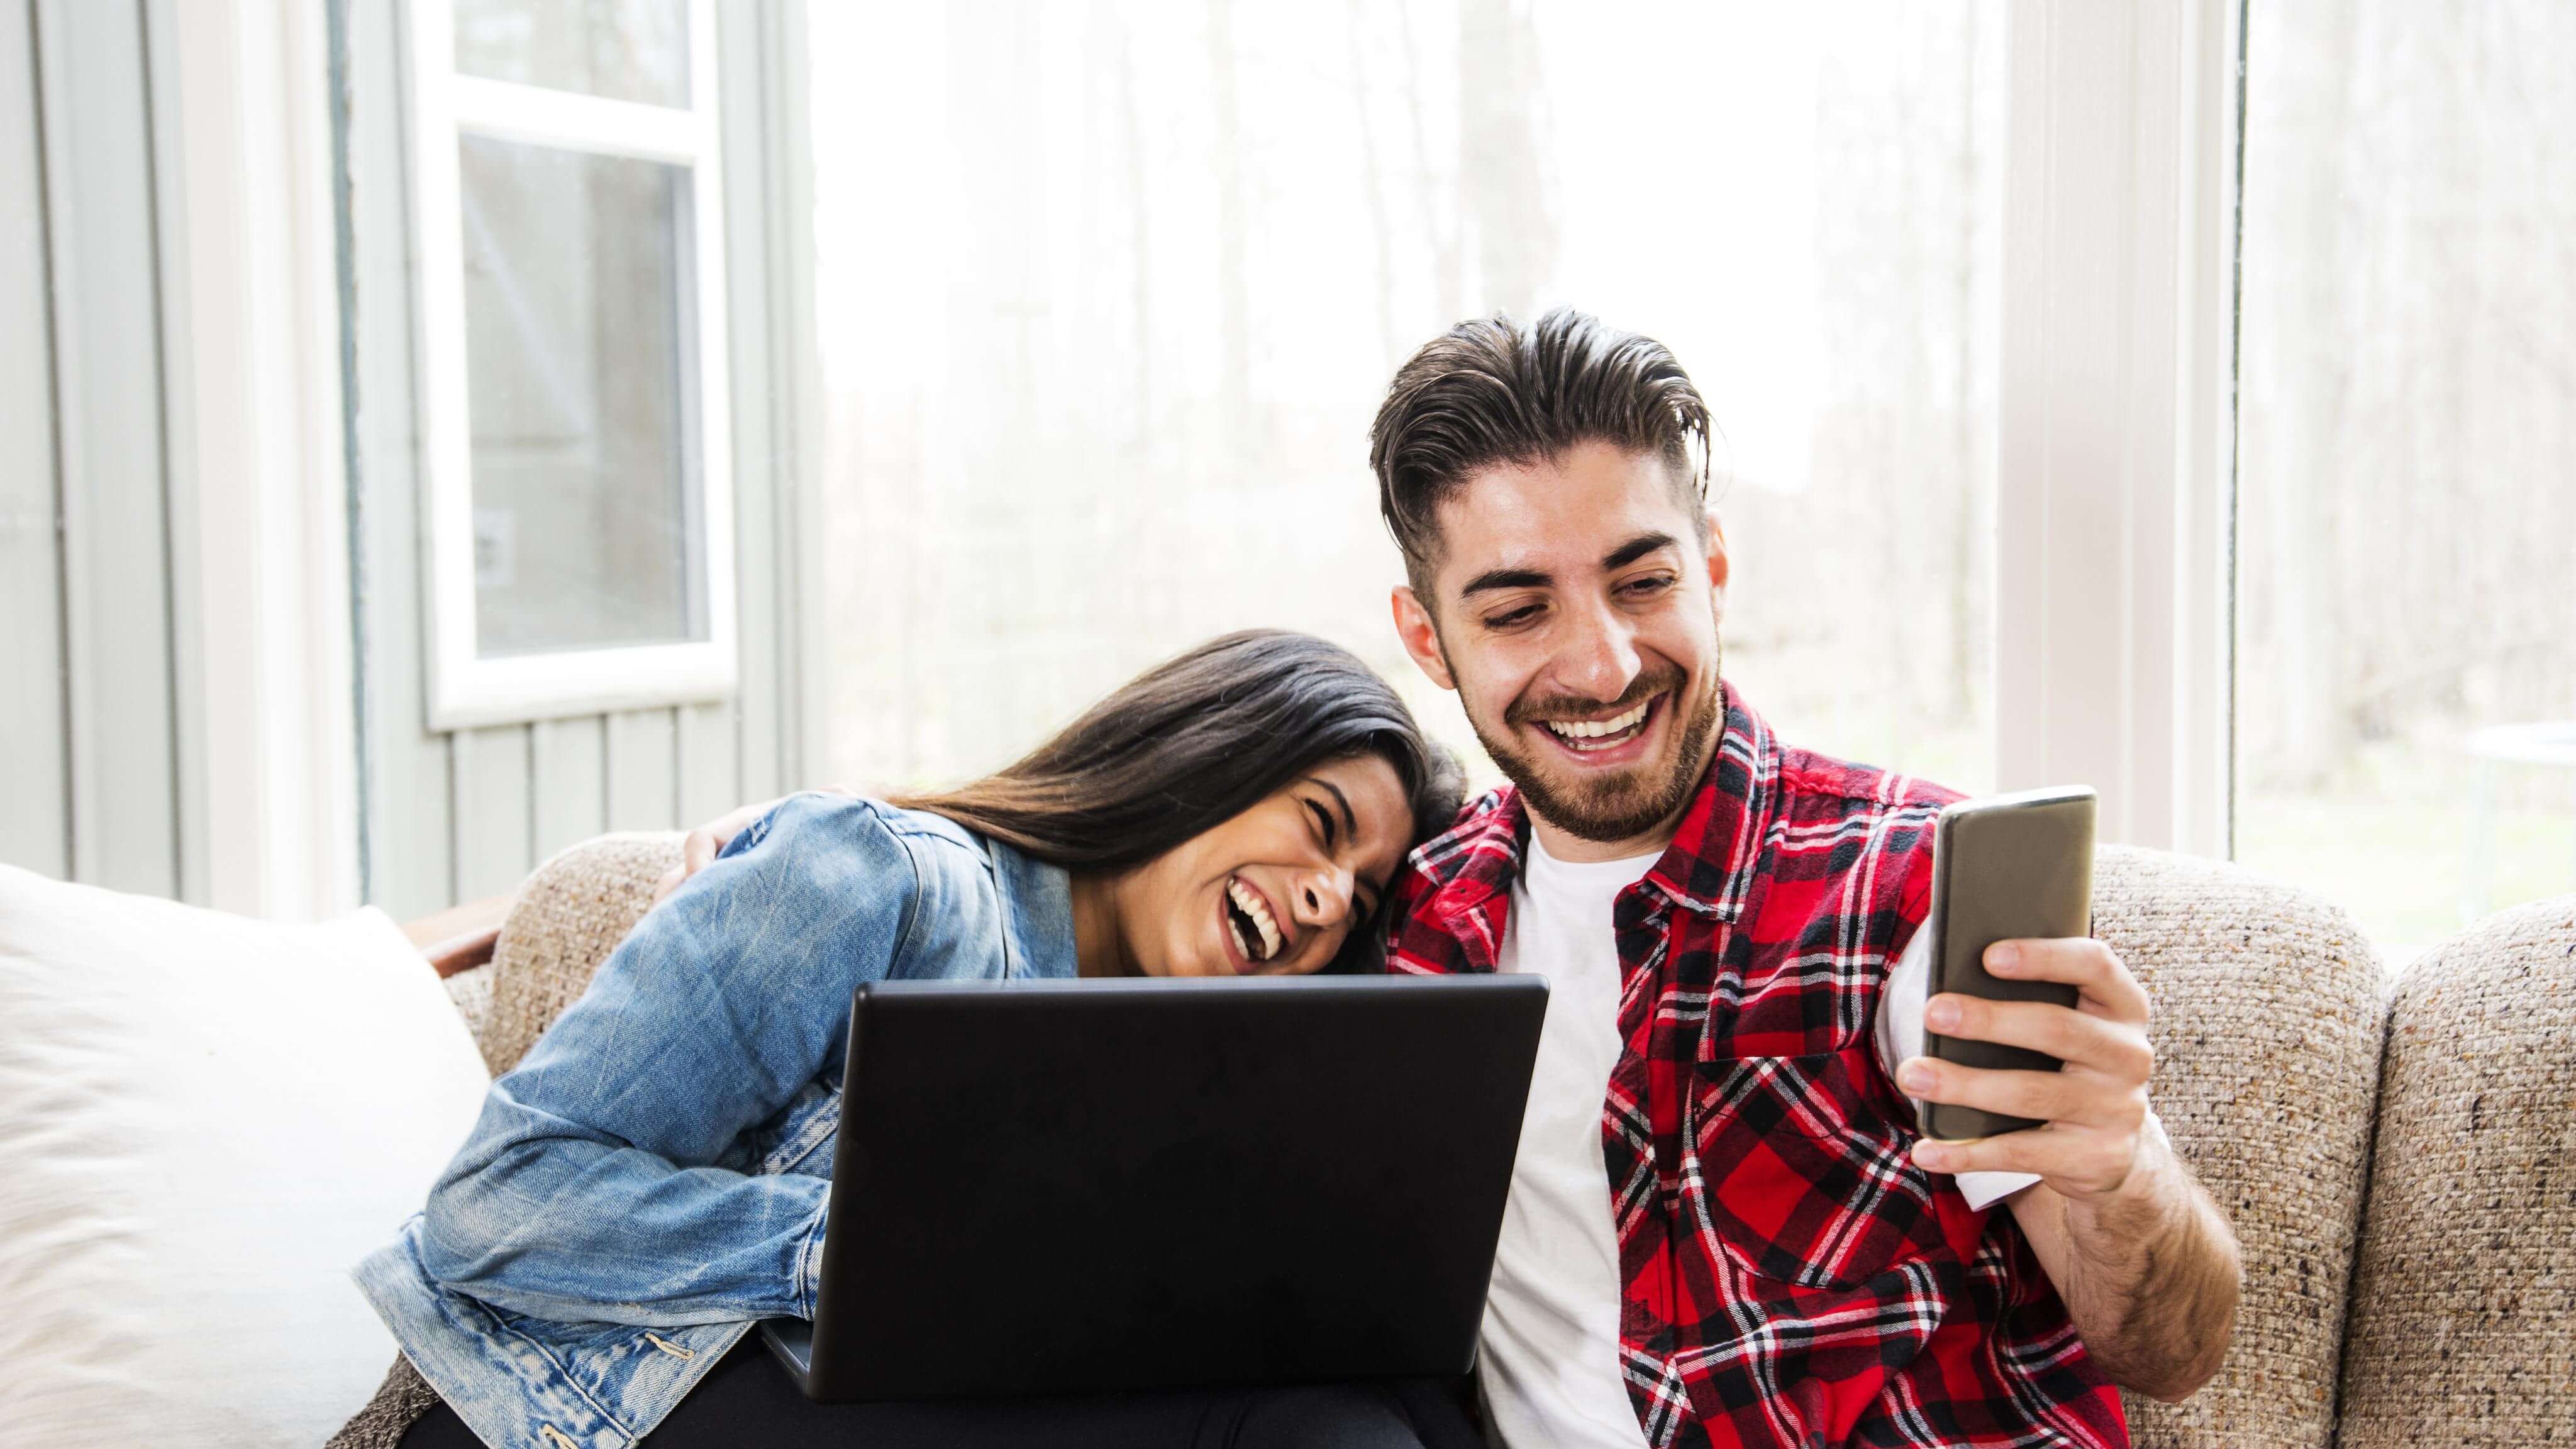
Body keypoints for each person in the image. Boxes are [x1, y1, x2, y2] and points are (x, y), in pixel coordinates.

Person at [663, 311, 2245, 1448]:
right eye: (1517, 608)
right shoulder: (1398, 908)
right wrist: (805, 850)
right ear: (1425, 639)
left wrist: (2116, 1173)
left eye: (1641, 579)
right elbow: (1128, 873)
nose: (1602, 660)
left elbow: (2168, 1348)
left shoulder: (1907, 887)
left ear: (1713, 564)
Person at [353, 631, 1480, 1449]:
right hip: (601, 1409)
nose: (1330, 900)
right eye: (1322, 828)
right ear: (1208, 756)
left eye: (1359, 896)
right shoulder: (875, 876)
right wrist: (889, 1254)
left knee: (1406, 1399)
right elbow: (494, 1202)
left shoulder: (1195, 1074)